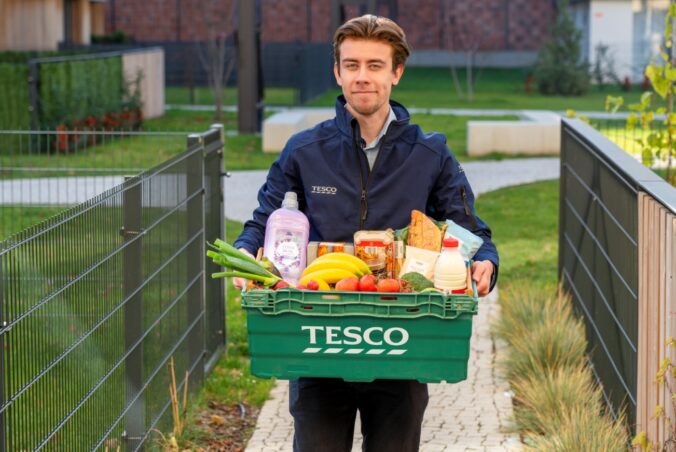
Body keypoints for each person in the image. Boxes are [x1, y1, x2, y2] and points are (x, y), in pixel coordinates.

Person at [233, 14, 498, 452]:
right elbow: (264, 218)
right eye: (352, 65)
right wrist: (246, 254)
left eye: (375, 65)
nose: (362, 77)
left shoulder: (429, 154)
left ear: (396, 73)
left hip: (402, 344)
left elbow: (468, 227)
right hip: (318, 339)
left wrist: (487, 259)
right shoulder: (304, 150)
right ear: (337, 72)